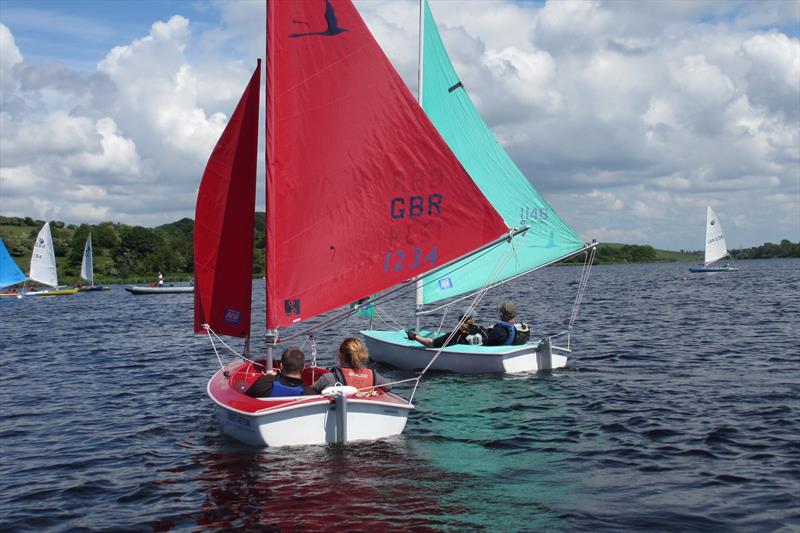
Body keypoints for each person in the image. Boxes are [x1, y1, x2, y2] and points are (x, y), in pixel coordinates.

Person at [312, 337, 392, 393]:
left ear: (340, 356)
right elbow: (389, 387)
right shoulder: (374, 377)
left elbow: (310, 391)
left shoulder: (329, 378)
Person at [245, 348, 316, 397]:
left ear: (281, 366)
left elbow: (246, 397)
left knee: (241, 385)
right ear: (304, 367)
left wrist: (269, 378)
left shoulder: (264, 383)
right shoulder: (309, 394)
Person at [406, 310, 486, 348]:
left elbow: (430, 343)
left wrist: (414, 336)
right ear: (473, 319)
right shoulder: (482, 331)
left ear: (459, 319)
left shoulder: (456, 336)